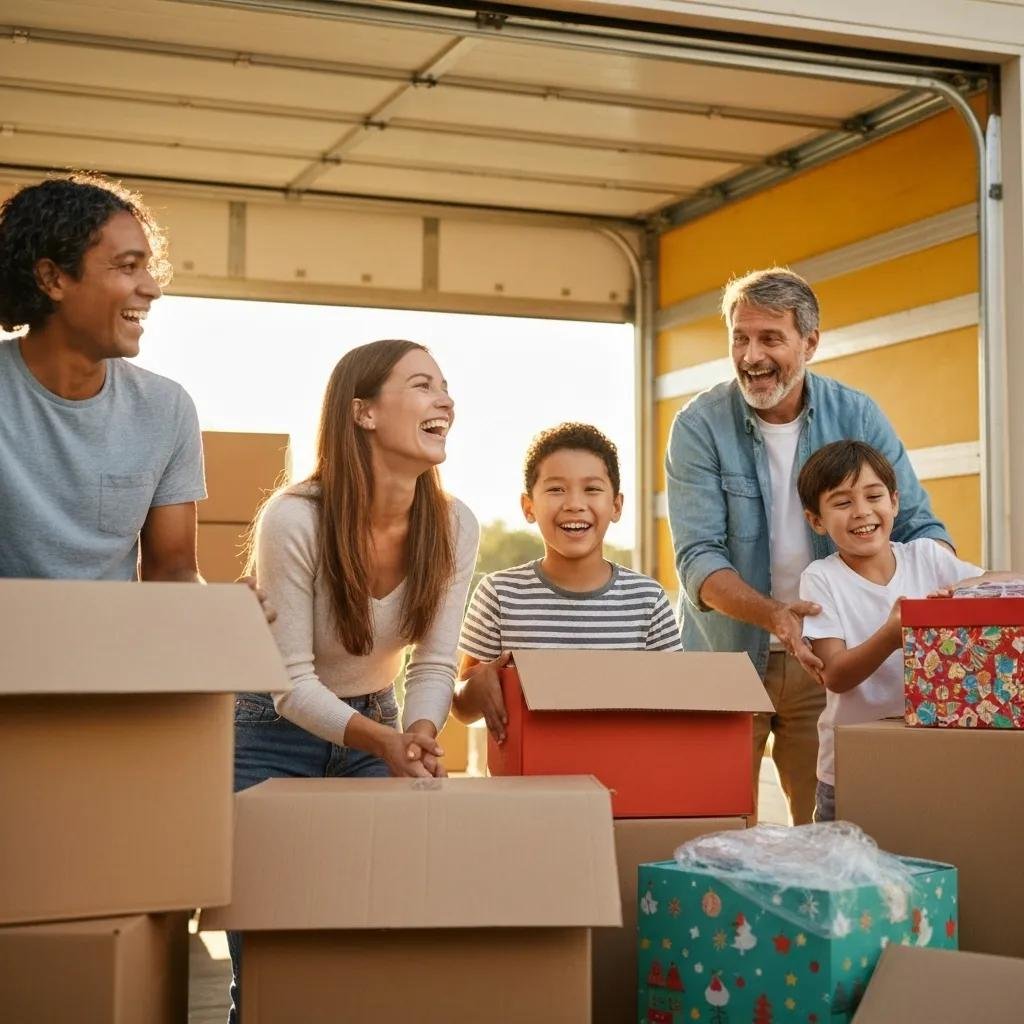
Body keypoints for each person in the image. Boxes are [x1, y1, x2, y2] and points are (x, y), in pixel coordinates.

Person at [227, 339, 479, 1021]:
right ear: (363, 412)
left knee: (368, 940)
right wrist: (384, 741)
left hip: (376, 724)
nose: (445, 400)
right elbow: (288, 684)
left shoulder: (454, 524)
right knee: (271, 953)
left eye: (447, 387)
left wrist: (420, 733)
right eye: (423, 385)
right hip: (268, 732)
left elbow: (432, 660)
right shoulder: (296, 517)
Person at [665, 268, 951, 824]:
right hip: (724, 657)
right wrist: (774, 616)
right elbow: (698, 558)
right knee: (713, 828)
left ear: (810, 343)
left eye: (770, 338)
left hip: (826, 661)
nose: (751, 355)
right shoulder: (698, 425)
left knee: (820, 835)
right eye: (740, 338)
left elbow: (920, 528)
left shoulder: (858, 415)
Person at [0, 174, 205, 582]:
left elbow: (174, 572)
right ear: (52, 279)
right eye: (128, 266)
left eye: (147, 268)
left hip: (113, 643)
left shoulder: (166, 408)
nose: (151, 289)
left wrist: (229, 608)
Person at [796, 440, 993, 821]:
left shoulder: (928, 557)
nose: (862, 512)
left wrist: (968, 594)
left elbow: (992, 588)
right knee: (850, 875)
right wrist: (892, 632)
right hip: (851, 770)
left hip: (929, 760)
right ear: (816, 520)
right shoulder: (821, 578)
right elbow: (834, 675)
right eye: (842, 502)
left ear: (895, 502)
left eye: (874, 496)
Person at [454, 422, 680, 740]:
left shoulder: (647, 599)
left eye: (591, 489)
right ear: (528, 506)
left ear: (616, 505)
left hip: (623, 776)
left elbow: (676, 699)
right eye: (556, 489)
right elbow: (462, 707)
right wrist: (479, 685)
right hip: (528, 782)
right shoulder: (499, 594)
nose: (574, 503)